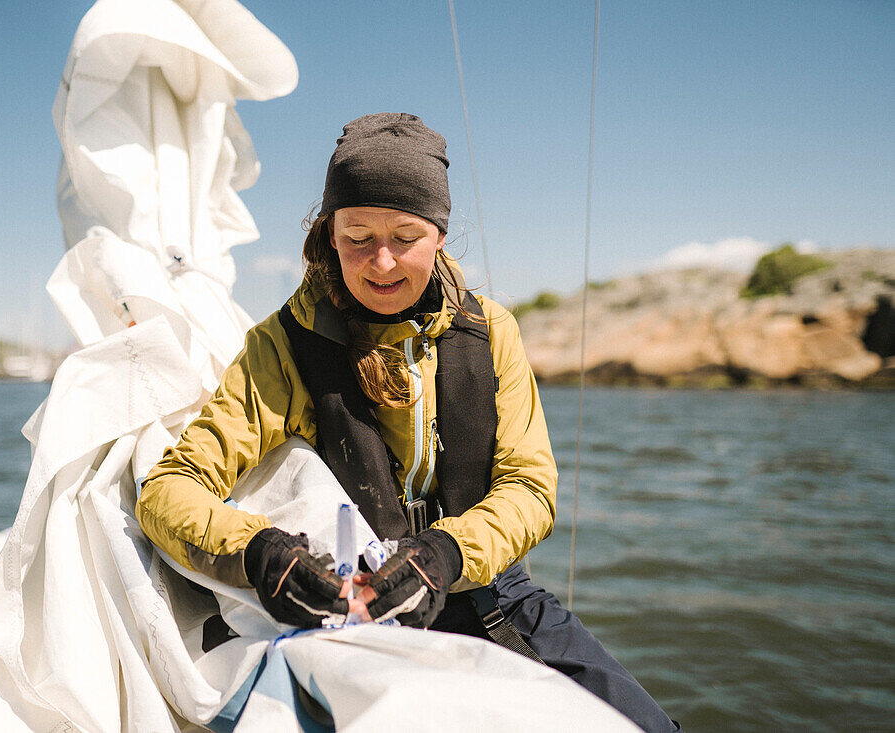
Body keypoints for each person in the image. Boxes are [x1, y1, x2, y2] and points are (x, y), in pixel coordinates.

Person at [137, 112, 680, 732]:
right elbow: (168, 491)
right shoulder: (284, 345)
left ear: (440, 234)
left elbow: (531, 489)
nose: (383, 262)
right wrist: (263, 556)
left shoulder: (492, 332)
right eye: (357, 237)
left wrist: (445, 554)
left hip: (490, 593)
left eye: (406, 236)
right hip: (353, 615)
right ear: (329, 234)